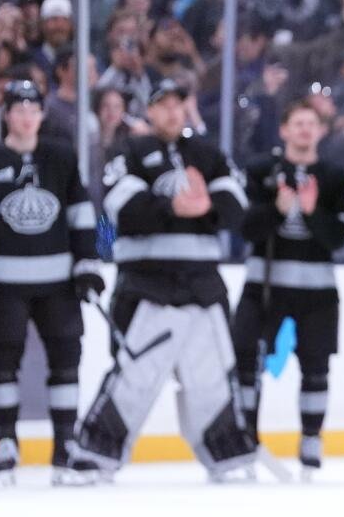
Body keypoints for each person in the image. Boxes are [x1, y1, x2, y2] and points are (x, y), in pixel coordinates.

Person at [73, 80, 257, 481]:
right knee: (134, 376)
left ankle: (227, 456)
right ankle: (95, 455)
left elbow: (237, 204)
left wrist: (205, 207)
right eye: (163, 105)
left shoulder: (207, 154)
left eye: (179, 104)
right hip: (147, 285)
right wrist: (176, 206)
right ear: (149, 111)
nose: (173, 112)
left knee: (210, 376)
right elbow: (119, 207)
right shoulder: (129, 151)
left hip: (202, 287)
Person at [0, 81, 103, 485]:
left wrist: (88, 264)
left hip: (58, 283)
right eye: (18, 108)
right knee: (2, 361)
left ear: (42, 114)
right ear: (6, 114)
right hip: (5, 283)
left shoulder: (60, 157)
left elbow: (81, 213)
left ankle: (64, 442)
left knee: (66, 361)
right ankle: (7, 439)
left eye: (33, 108)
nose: (26, 116)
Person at [231, 100, 344, 480]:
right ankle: (246, 440)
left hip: (317, 291)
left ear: (319, 131)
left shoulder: (335, 176)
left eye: (310, 123)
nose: (303, 129)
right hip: (264, 286)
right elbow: (246, 228)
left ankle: (311, 442)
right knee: (247, 362)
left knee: (316, 368)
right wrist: (277, 211)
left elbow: (340, 238)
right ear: (283, 130)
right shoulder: (261, 170)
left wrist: (313, 213)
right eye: (296, 122)